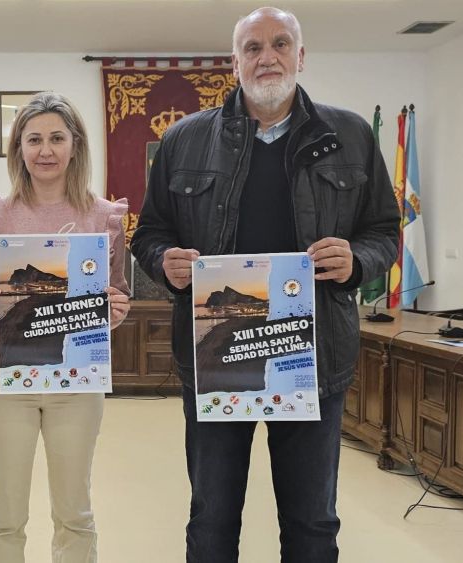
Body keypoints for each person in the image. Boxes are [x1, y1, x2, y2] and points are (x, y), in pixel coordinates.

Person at [130, 7, 399, 563]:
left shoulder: (349, 135)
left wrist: (356, 259)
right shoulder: (184, 140)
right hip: (216, 355)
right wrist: (165, 263)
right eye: (252, 48)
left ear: (301, 56)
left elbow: (383, 232)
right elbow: (150, 233)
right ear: (234, 63)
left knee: (312, 522)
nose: (267, 57)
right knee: (211, 518)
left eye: (280, 44)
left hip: (313, 357)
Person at [0, 91, 131, 563]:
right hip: (4, 379)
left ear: (75, 145)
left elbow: (115, 293)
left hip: (76, 381)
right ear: (18, 149)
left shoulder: (104, 216)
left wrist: (115, 310)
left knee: (75, 512)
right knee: (4, 512)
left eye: (56, 138)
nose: (45, 150)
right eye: (33, 139)